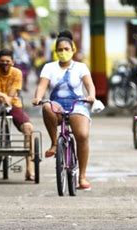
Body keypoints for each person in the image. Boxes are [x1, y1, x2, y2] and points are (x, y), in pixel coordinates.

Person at [32, 35, 96, 190]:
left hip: (78, 104)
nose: (63, 52)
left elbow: (90, 85)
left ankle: (82, 177)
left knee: (82, 136)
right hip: (56, 105)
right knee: (47, 106)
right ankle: (54, 143)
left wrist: (91, 96)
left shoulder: (81, 67)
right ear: (55, 52)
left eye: (66, 49)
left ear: (73, 50)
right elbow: (42, 86)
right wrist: (38, 98)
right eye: (60, 50)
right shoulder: (49, 67)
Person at [0, 49, 35, 181]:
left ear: (13, 62)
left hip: (12, 104)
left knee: (29, 129)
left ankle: (29, 169)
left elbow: (10, 95)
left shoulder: (17, 73)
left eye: (7, 62)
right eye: (2, 61)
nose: (5, 64)